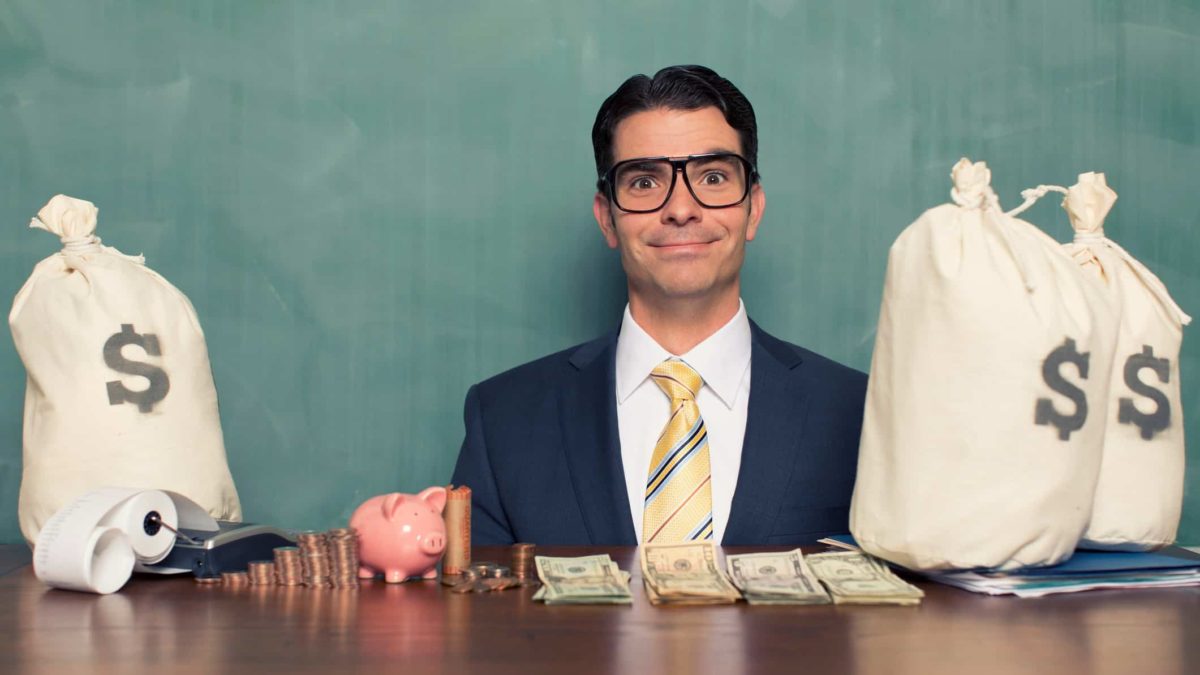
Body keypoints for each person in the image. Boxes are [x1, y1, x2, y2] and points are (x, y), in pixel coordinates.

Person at [451, 65, 866, 546]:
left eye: (712, 177)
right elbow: (472, 613)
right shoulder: (504, 418)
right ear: (607, 218)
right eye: (644, 182)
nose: (681, 208)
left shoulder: (856, 412)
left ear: (753, 208)